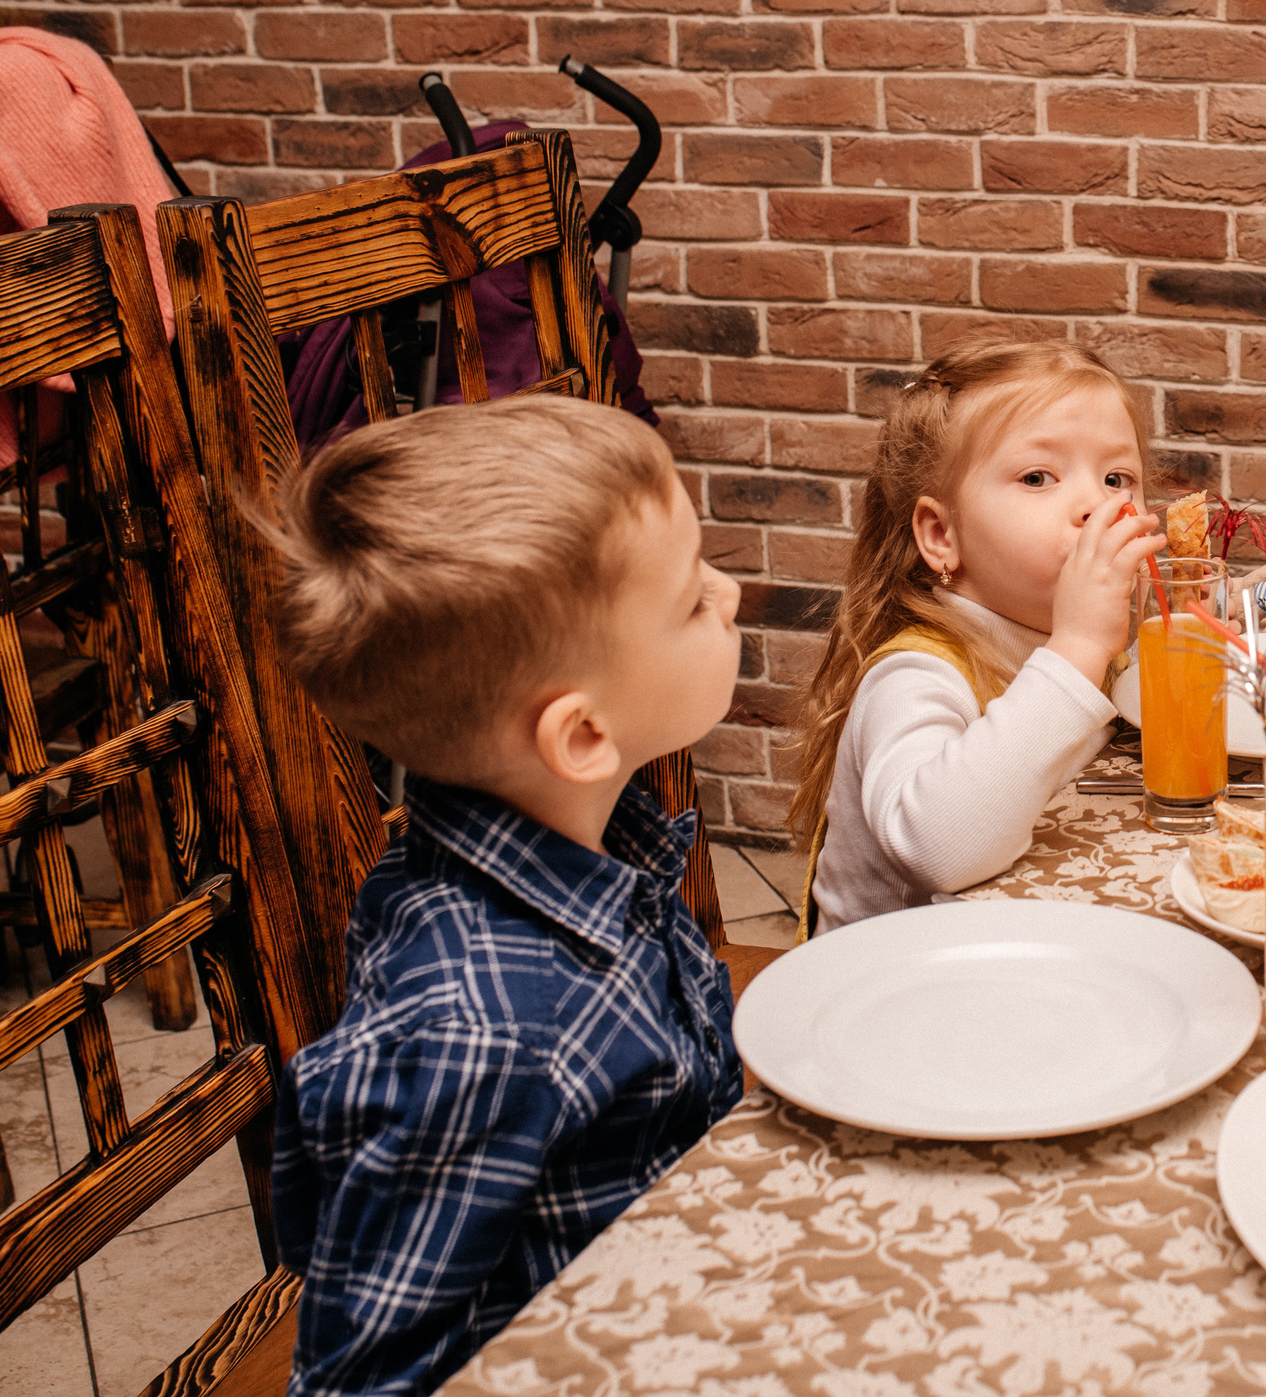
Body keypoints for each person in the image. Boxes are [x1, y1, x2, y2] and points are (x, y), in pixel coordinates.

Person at [264, 394, 745, 1397]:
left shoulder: (588, 839)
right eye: (693, 598)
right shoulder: (488, 1035)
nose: (729, 592)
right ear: (579, 736)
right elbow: (361, 1372)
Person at [791, 337, 1163, 934]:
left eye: (1118, 477)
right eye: (1039, 477)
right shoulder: (916, 673)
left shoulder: (1078, 636)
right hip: (899, 992)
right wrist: (1080, 649)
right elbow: (939, 848)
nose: (1098, 504)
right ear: (942, 534)